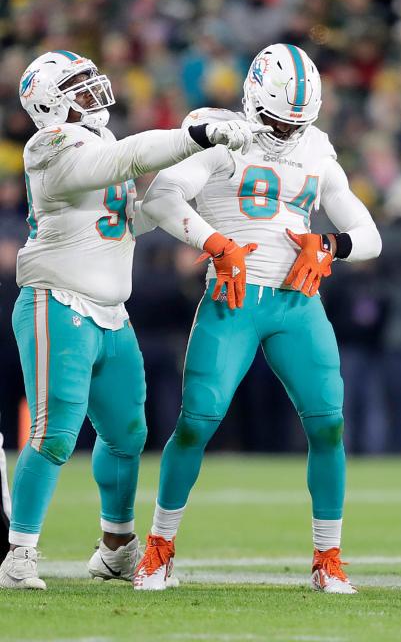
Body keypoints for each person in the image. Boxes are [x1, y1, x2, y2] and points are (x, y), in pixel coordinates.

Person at [0, 49, 264, 590]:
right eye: (76, 86)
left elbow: (125, 219)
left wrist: (198, 225)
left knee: (127, 433)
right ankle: (19, 554)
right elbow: (129, 158)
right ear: (49, 104)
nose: (91, 91)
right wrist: (195, 134)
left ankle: (116, 547)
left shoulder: (97, 147)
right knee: (53, 434)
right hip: (57, 302)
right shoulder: (48, 146)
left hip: (110, 312)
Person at [132, 44, 381, 594]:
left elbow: (370, 236)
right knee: (197, 422)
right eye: (275, 120)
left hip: (297, 302)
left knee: (330, 425)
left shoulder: (316, 146)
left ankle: (328, 558)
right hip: (234, 298)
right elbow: (162, 196)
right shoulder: (223, 134)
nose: (285, 132)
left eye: (296, 122)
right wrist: (213, 240)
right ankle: (159, 547)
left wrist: (331, 245)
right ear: (252, 102)